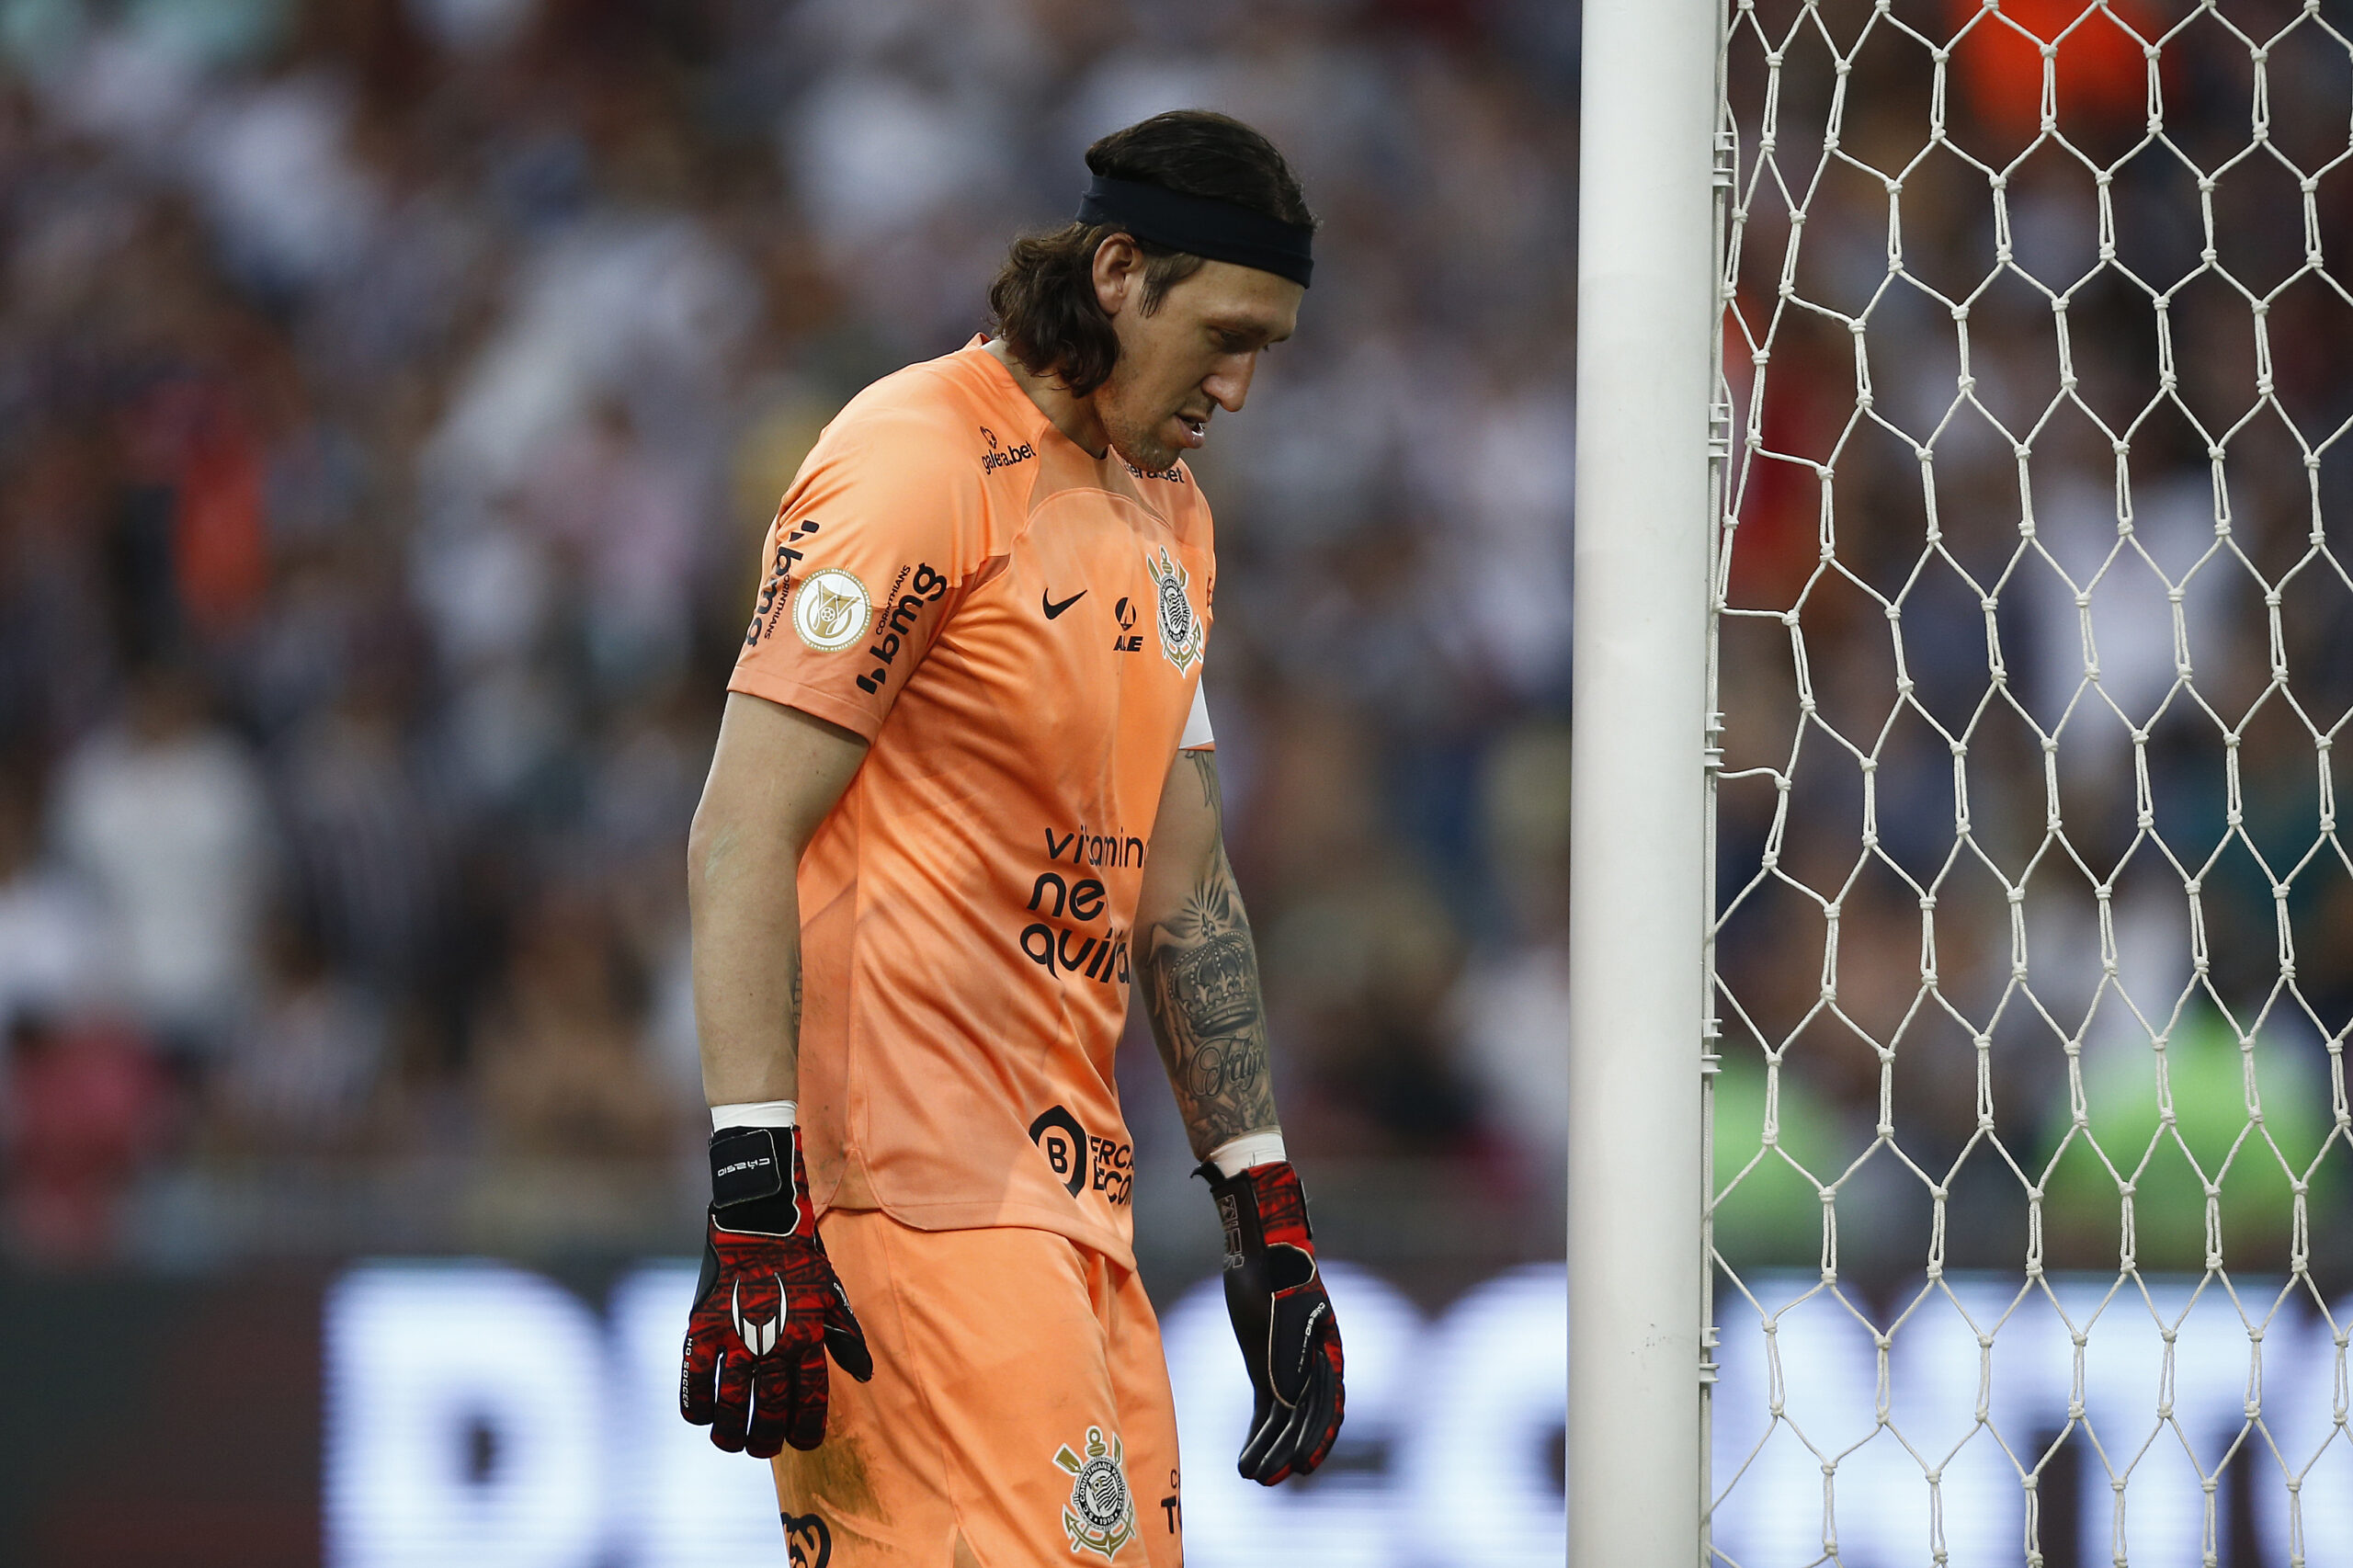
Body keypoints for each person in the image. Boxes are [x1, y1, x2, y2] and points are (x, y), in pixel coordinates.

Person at [678, 110, 1345, 1566]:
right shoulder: (912, 460)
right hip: (904, 1215)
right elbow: (741, 823)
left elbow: (1183, 881)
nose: (1237, 388)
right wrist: (754, 1201)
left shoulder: (1174, 519)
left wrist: (1264, 1205)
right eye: (1225, 336)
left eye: (1267, 354)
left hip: (1070, 1216)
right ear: (1119, 271)